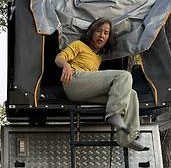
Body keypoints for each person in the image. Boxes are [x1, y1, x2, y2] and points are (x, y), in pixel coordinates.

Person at [54, 18, 148, 152]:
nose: (102, 35)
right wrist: (66, 65)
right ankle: (114, 114)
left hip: (84, 91)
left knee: (131, 94)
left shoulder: (97, 58)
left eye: (106, 33)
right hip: (74, 81)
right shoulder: (79, 45)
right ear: (91, 32)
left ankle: (128, 138)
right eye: (99, 31)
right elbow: (59, 58)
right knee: (124, 75)